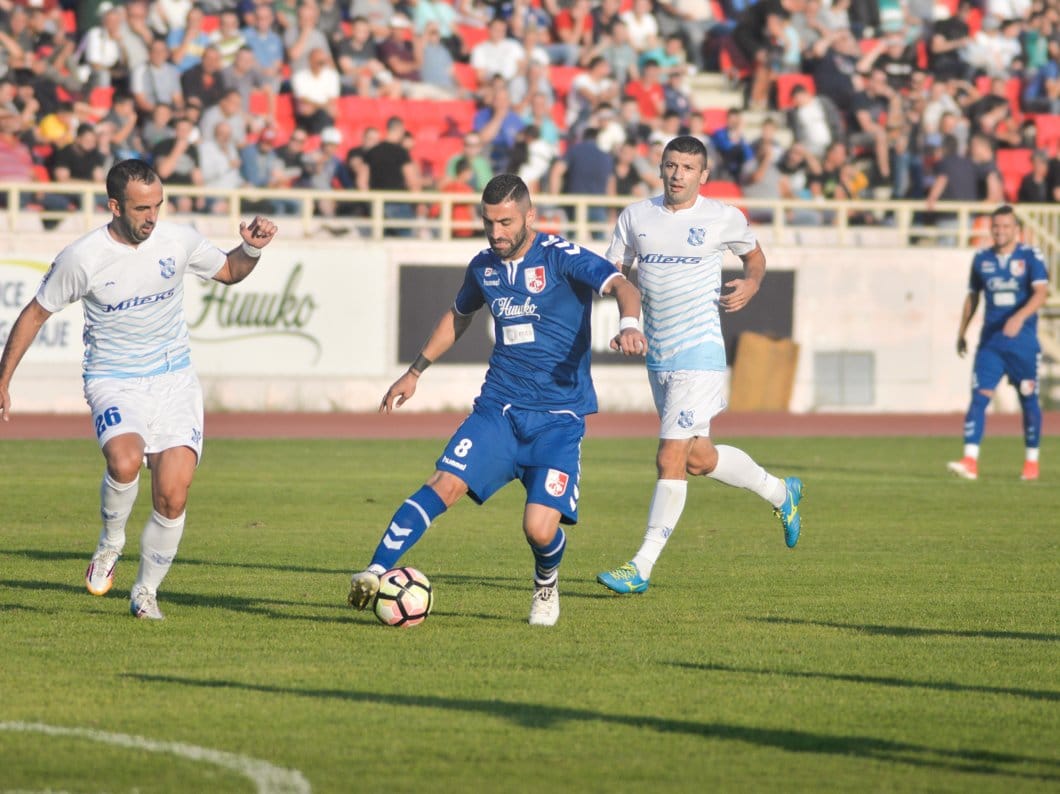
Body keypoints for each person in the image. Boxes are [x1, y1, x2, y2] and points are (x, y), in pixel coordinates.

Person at [346, 173, 647, 626]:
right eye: (488, 223)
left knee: (538, 528)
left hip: (558, 418)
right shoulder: (483, 267)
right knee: (443, 484)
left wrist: (629, 325)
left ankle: (546, 583)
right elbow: (458, 316)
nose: (496, 233)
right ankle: (374, 570)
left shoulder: (562, 257)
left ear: (530, 215)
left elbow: (624, 286)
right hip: (499, 410)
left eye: (505, 222)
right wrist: (415, 372)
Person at [0, 159, 278, 620]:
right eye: (142, 208)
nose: (152, 217)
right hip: (113, 378)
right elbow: (34, 314)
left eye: (158, 205)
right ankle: (111, 543)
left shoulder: (178, 239)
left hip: (174, 380)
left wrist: (250, 249)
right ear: (114, 206)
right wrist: (4, 378)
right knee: (125, 460)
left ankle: (145, 592)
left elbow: (229, 270)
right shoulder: (83, 257)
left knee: (172, 494)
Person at [596, 135, 804, 596]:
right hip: (660, 353)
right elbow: (613, 273)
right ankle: (780, 493)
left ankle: (641, 565)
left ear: (703, 175)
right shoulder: (635, 217)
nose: (677, 174)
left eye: (688, 168)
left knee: (669, 456)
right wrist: (626, 318)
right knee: (697, 458)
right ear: (661, 167)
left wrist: (751, 284)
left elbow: (755, 258)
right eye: (671, 165)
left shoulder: (722, 217)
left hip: (701, 352)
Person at [947, 205, 1050, 482]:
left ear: (1017, 230)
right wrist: (962, 332)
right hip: (991, 343)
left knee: (1028, 398)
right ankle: (970, 460)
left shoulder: (1030, 257)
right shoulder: (982, 259)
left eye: (1006, 226)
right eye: (996, 226)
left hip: (1023, 344)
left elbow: (1041, 294)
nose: (1000, 231)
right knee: (979, 397)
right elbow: (973, 297)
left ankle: (1031, 461)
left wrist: (1019, 317)